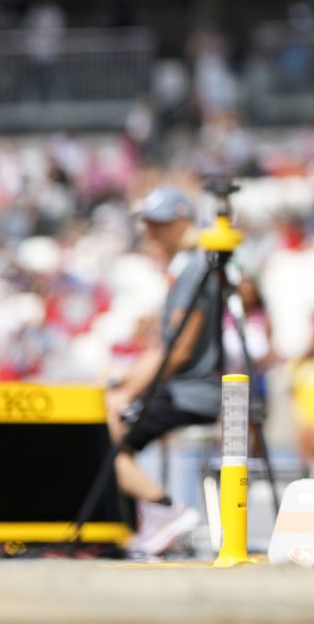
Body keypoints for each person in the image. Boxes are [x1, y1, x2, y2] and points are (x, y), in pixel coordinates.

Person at [104, 188, 250, 559]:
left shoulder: (194, 269)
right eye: (149, 226)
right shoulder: (188, 269)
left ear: (183, 224)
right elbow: (162, 348)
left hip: (191, 392)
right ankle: (141, 522)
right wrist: (122, 383)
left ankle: (165, 509)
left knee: (103, 433)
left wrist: (127, 394)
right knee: (106, 420)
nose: (151, 234)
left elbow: (177, 350)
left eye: (161, 226)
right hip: (184, 388)